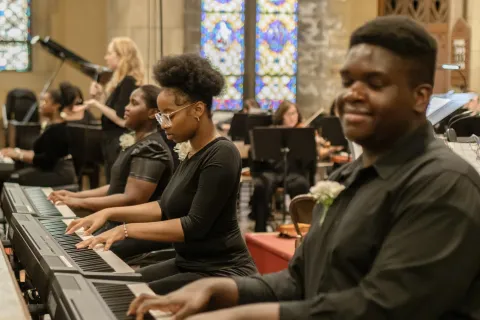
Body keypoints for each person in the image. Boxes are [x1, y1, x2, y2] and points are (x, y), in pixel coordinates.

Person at [127, 16, 480, 320]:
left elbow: (379, 308)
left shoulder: (444, 184)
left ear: (421, 97)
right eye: (348, 82)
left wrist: (235, 314)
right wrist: (218, 288)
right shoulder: (347, 176)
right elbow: (298, 280)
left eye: (374, 83)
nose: (351, 95)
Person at [66, 53, 257, 293]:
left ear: (198, 109)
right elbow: (163, 206)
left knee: (120, 297)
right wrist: (107, 212)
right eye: (160, 115)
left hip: (221, 271)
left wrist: (124, 230)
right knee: (106, 285)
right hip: (188, 264)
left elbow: (194, 225)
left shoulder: (222, 153)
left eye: (169, 115)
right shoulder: (191, 151)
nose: (163, 123)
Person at [83, 37, 145, 183]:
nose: (106, 57)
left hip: (118, 140)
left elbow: (121, 118)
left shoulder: (129, 81)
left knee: (115, 182)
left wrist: (95, 104)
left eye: (110, 53)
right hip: (111, 140)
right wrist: (100, 96)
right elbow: (112, 109)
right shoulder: (122, 81)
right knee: (111, 180)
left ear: (121, 56)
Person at [249, 101, 311, 232]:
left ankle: (302, 227)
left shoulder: (302, 134)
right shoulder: (270, 132)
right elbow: (257, 155)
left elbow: (308, 161)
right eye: (289, 114)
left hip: (292, 173)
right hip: (272, 171)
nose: (293, 117)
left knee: (301, 184)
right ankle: (260, 227)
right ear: (281, 115)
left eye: (295, 113)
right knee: (261, 185)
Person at [0, 82, 78, 187]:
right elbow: (41, 153)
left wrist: (19, 155)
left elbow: (45, 161)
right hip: (52, 169)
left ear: (56, 106)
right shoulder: (52, 126)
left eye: (45, 101)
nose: (40, 104)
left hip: (60, 173)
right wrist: (15, 151)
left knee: (14, 179)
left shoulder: (59, 130)